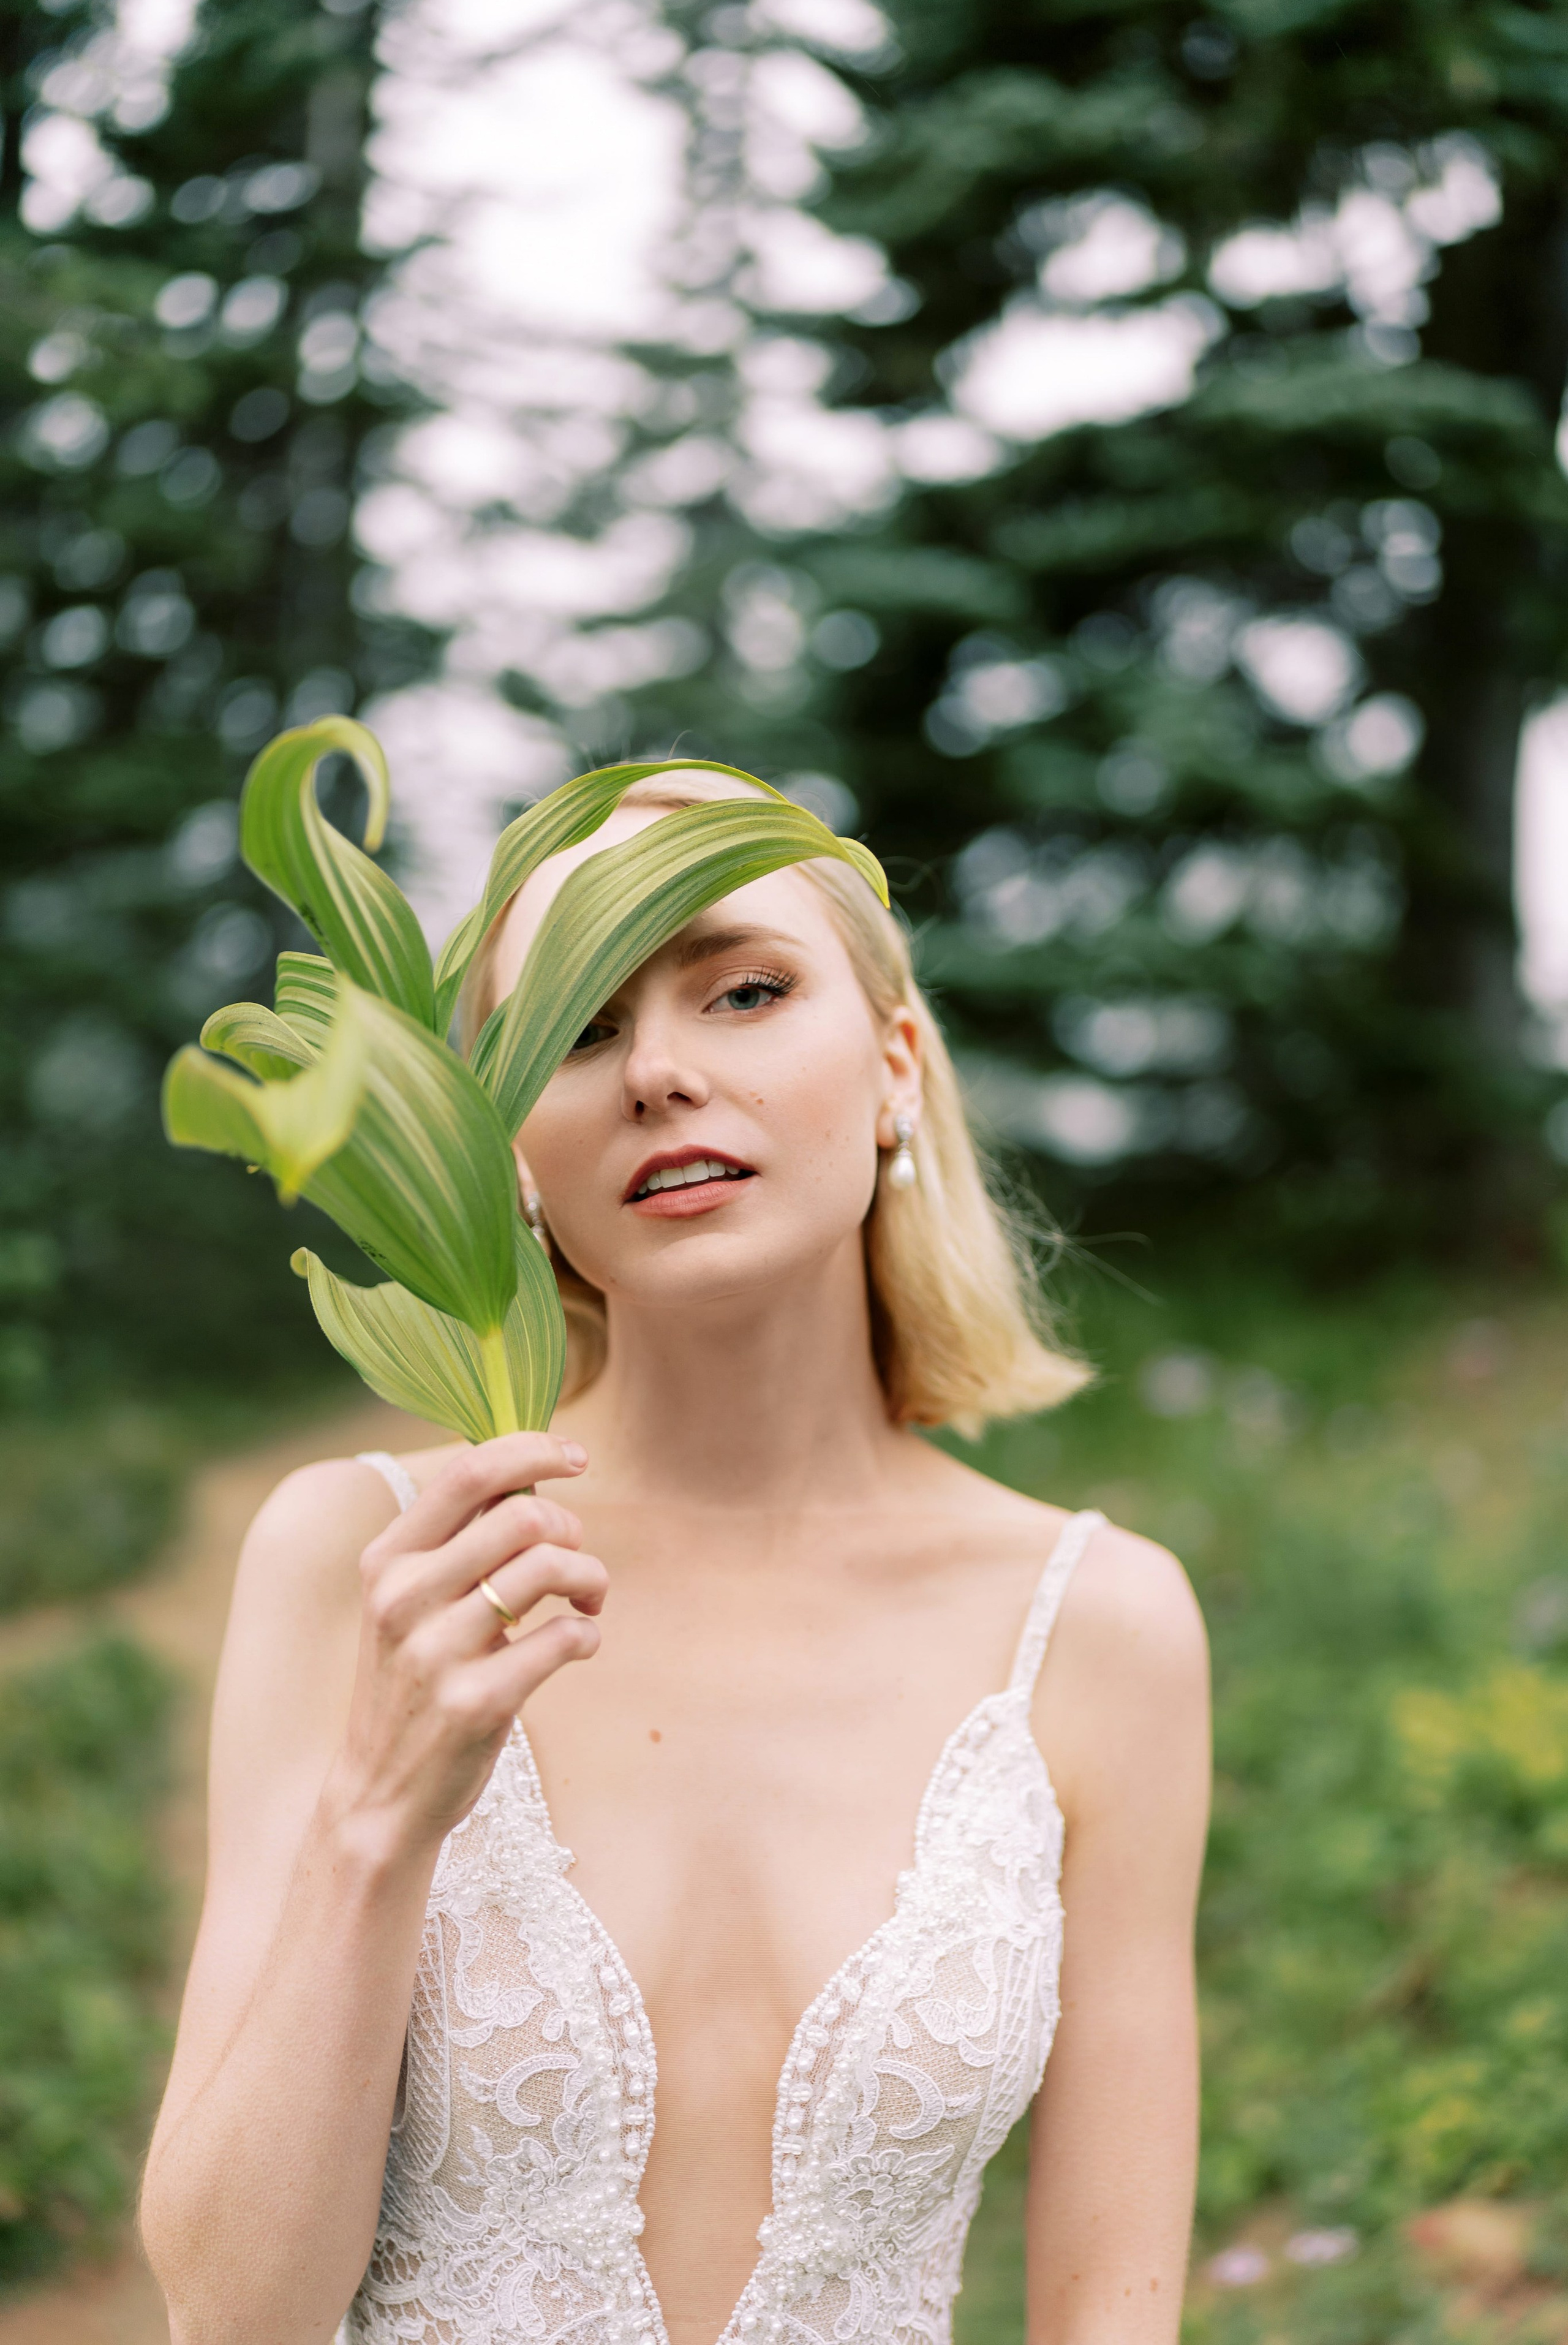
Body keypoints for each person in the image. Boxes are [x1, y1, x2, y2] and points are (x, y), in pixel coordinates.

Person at [140, 769, 1211, 2345]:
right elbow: (230, 2316)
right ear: (503, 1146)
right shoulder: (367, 1561)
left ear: (897, 1066)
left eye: (746, 992)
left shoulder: (1097, 1628)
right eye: (575, 1030)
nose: (655, 1072)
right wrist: (380, 1816)